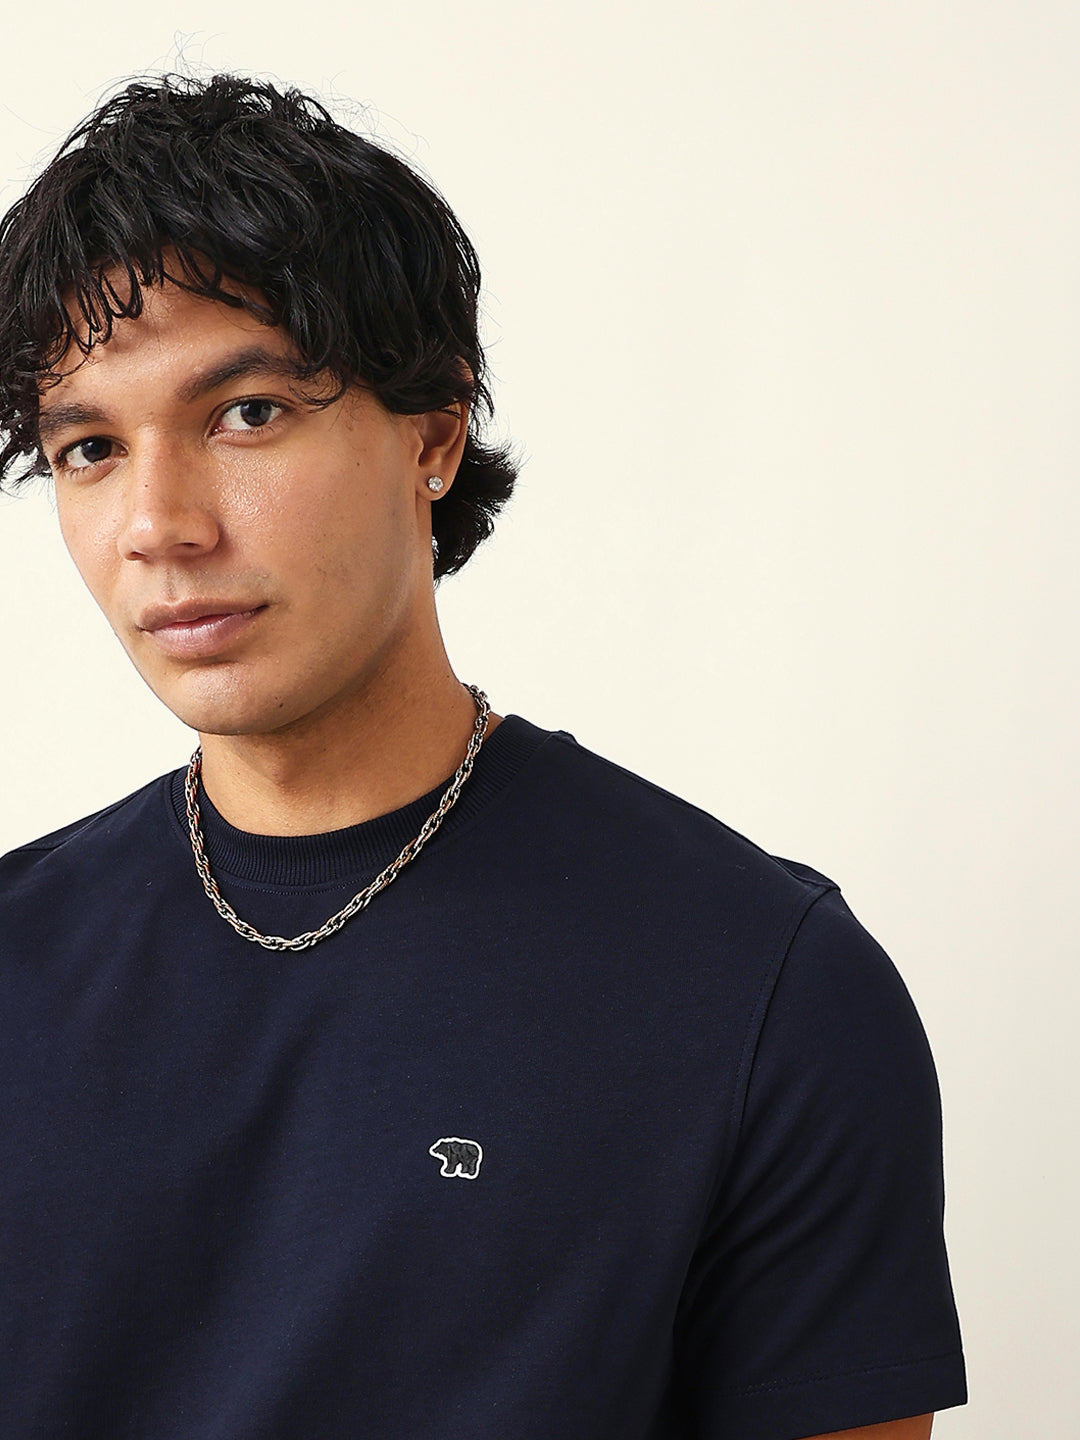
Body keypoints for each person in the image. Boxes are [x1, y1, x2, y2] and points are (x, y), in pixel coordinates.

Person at [0, 74, 965, 1440]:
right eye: (90, 447)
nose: (158, 523)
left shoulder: (762, 986)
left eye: (247, 413)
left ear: (436, 431)